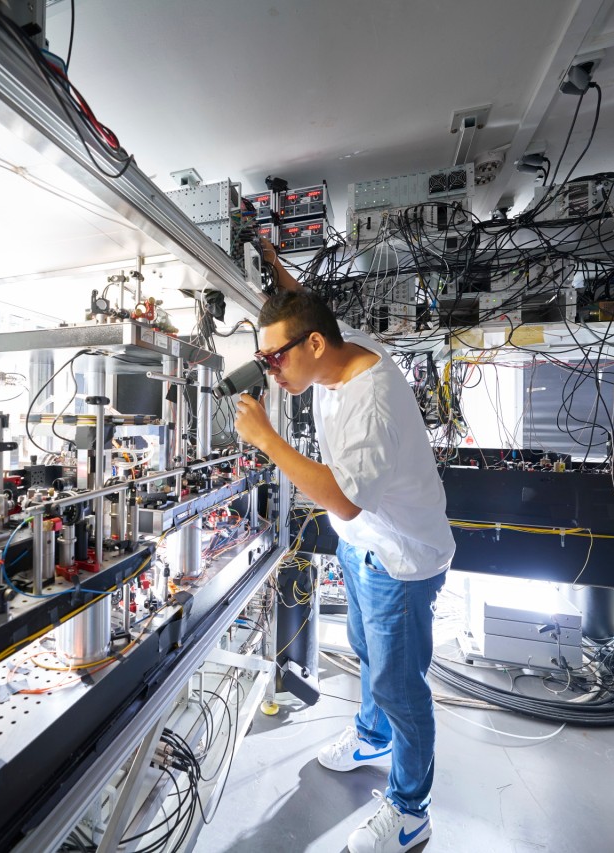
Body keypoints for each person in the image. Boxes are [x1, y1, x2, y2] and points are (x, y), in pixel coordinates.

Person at [232, 241, 455, 853]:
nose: (269, 371)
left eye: (274, 358)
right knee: (365, 651)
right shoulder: (337, 348)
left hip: (401, 559)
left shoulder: (371, 401)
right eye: (262, 357)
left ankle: (411, 811)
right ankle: (369, 736)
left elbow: (344, 497)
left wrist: (266, 439)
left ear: (313, 347)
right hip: (365, 548)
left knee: (400, 687)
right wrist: (275, 280)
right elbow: (312, 309)